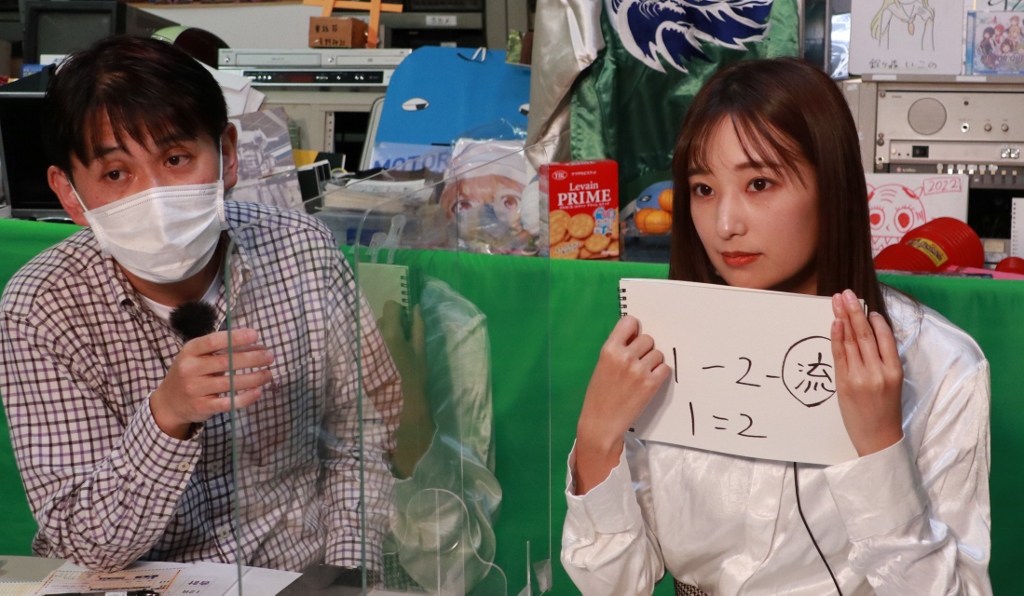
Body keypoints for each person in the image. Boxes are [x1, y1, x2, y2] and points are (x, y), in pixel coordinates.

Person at [561, 58, 991, 595]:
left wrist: (880, 447)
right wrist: (596, 438)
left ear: (832, 187)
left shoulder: (941, 364)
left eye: (759, 183)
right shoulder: (661, 343)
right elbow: (616, 584)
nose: (725, 225)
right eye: (703, 189)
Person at [0, 36, 401, 575]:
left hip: (293, 575)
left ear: (227, 154)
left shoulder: (302, 249)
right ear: (70, 193)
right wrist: (167, 416)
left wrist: (348, 572)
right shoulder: (41, 307)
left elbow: (362, 433)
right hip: (132, 581)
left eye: (176, 159)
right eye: (116, 174)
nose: (155, 197)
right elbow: (85, 542)